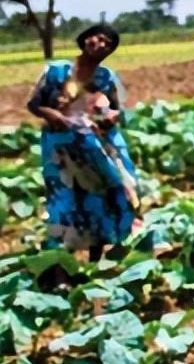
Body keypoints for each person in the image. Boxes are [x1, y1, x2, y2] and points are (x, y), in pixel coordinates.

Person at [26, 24, 139, 261]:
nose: (100, 44)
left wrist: (110, 119)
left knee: (99, 196)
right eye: (97, 38)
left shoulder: (106, 77)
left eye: (108, 43)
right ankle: (59, 260)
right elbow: (34, 104)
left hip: (94, 145)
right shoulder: (56, 71)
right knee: (64, 198)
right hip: (60, 147)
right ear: (85, 39)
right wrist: (53, 115)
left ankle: (95, 255)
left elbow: (119, 110)